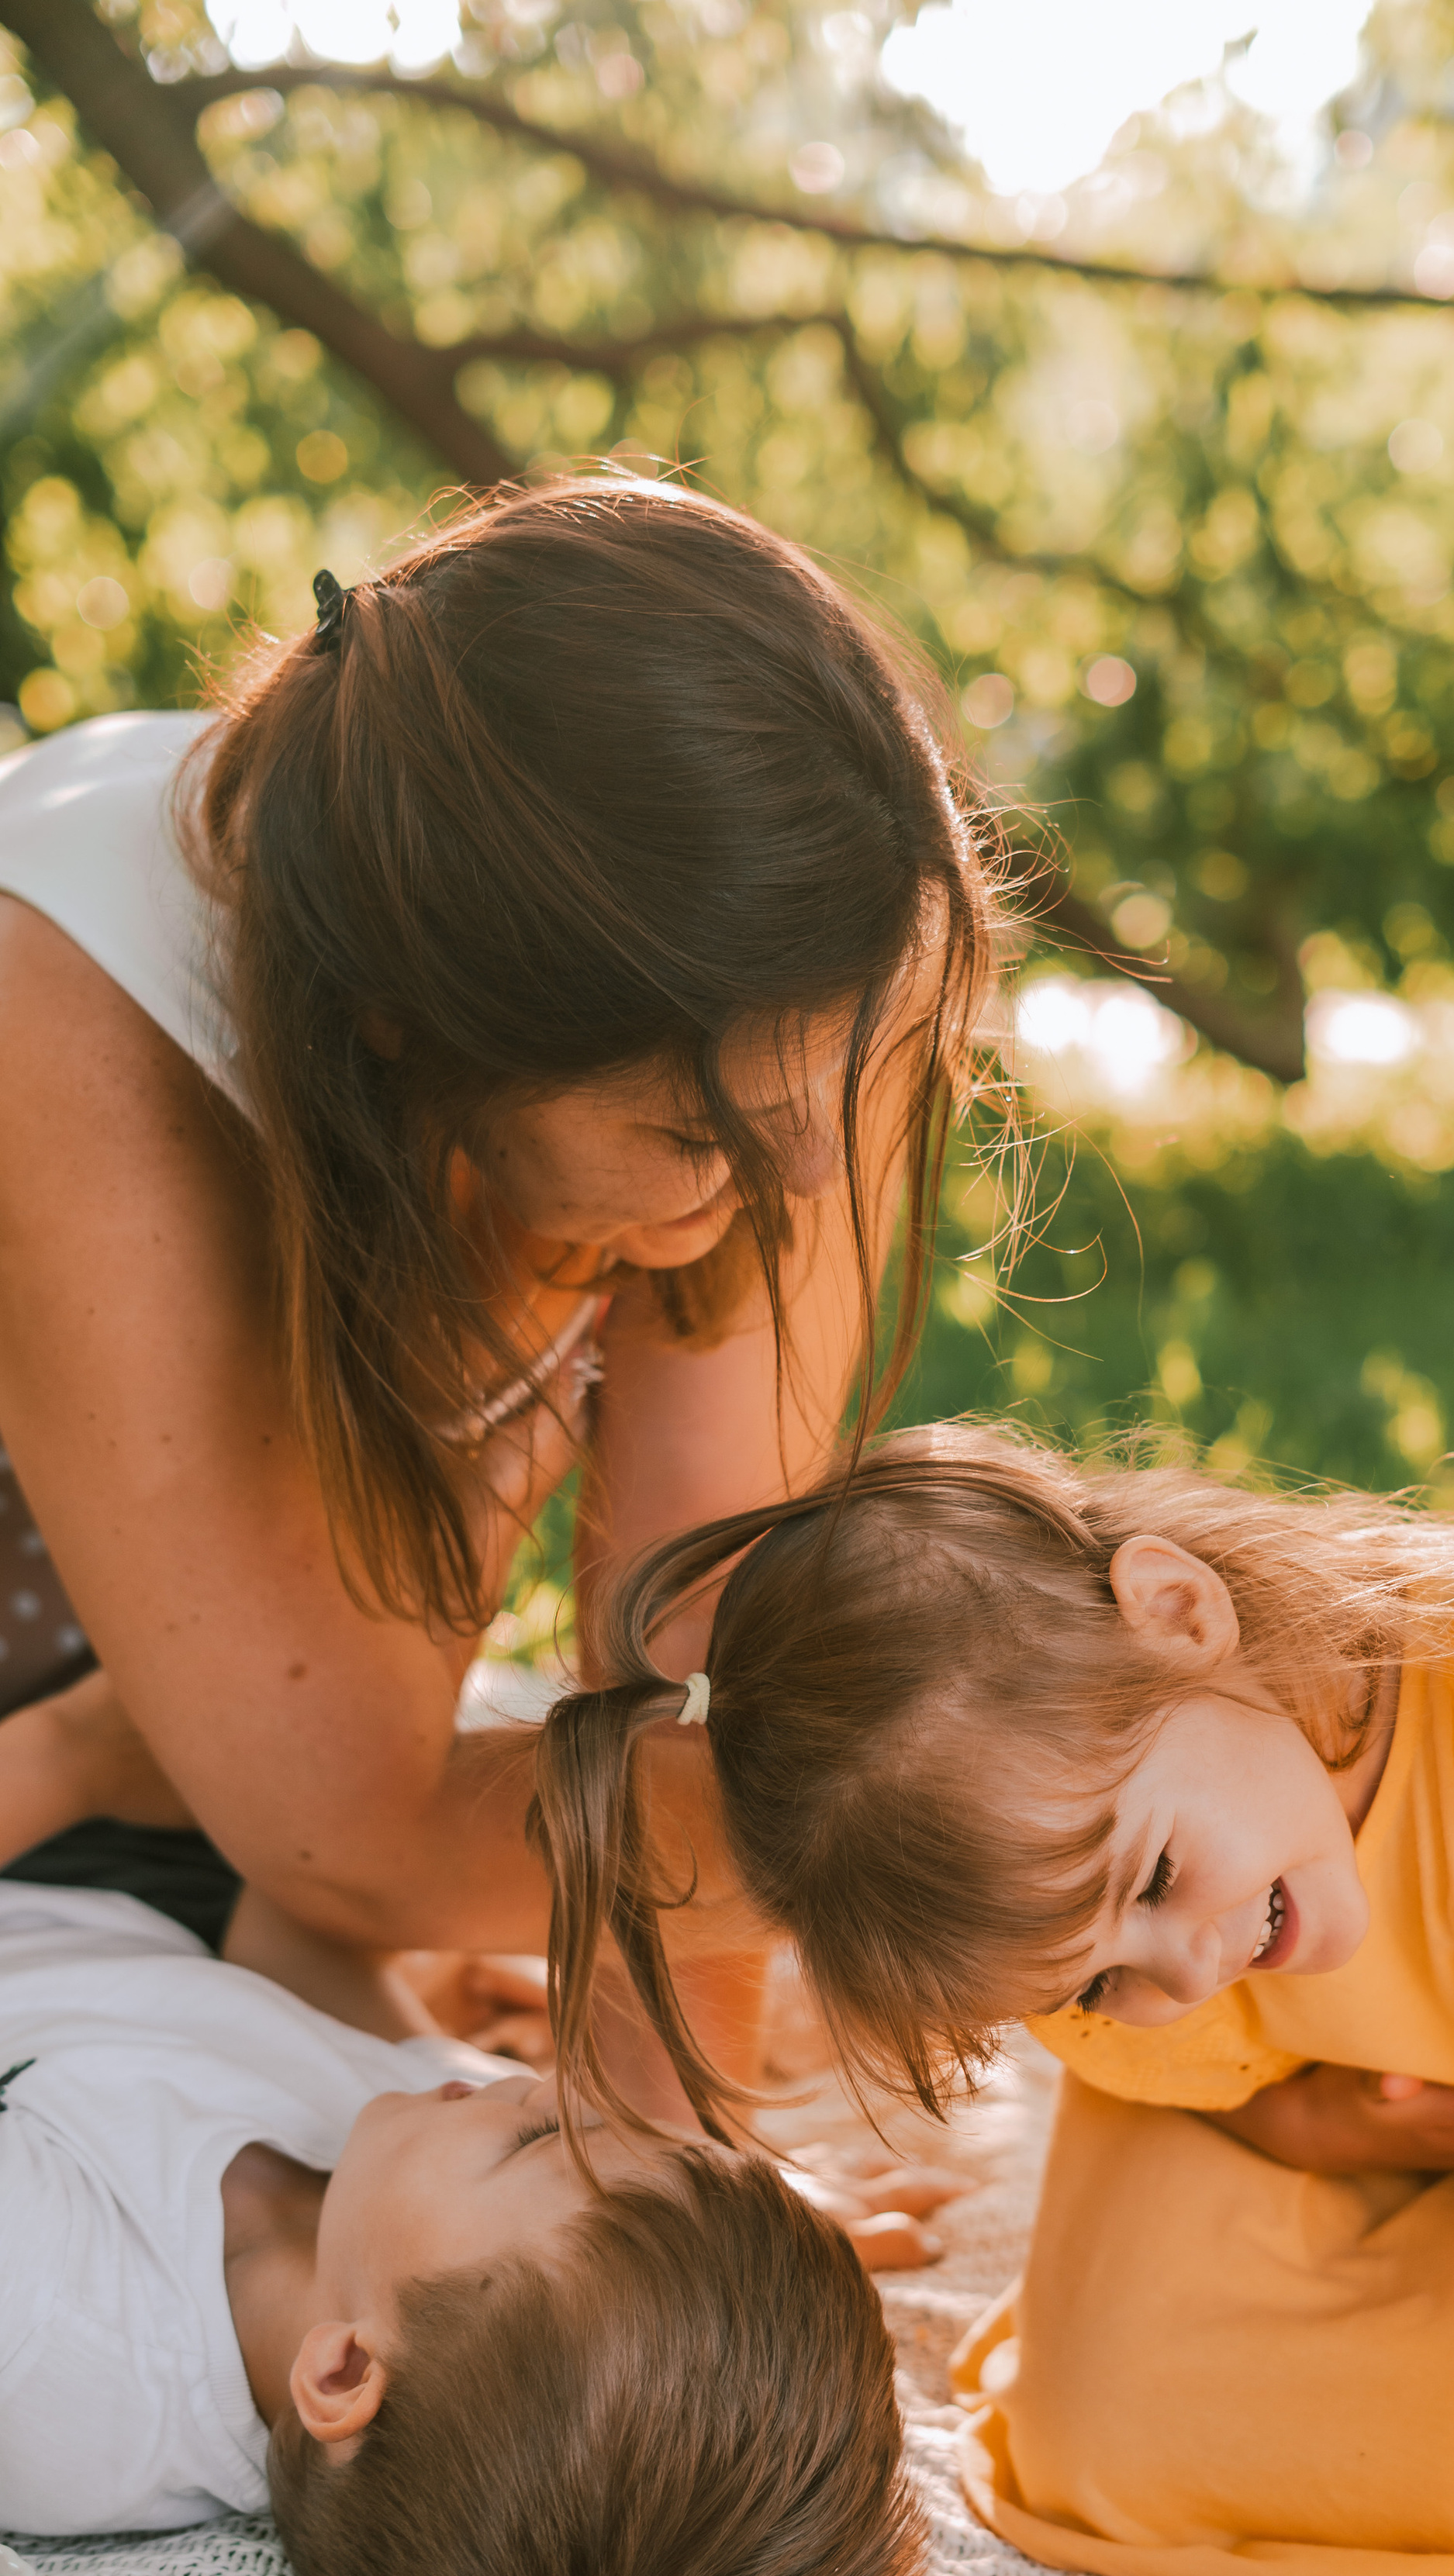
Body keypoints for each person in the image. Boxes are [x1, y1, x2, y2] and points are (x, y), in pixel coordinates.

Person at [531, 1424, 1454, 2576]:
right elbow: (1189, 2061)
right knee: (1094, 2444)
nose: (1189, 1971)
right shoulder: (1084, 1873)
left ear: (1182, 1615)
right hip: (1281, 2111)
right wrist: (1303, 2122)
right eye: (1093, 1983)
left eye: (1153, 1878)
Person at [0, 476, 992, 2083]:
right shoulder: (70, 1023)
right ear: (405, 1027)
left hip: (236, 1740)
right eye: (691, 1132)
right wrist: (964, 1836)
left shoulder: (790, 955)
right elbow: (352, 1828)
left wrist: (666, 2136)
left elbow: (699, 1647)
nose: (807, 1185)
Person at [0, 1672, 921, 2576]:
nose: (562, 2086)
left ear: (341, 2376)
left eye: (536, 2143)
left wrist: (73, 1751)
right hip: (120, 1917)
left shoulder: (55, 2344)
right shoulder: (393, 2217)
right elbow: (299, 1941)